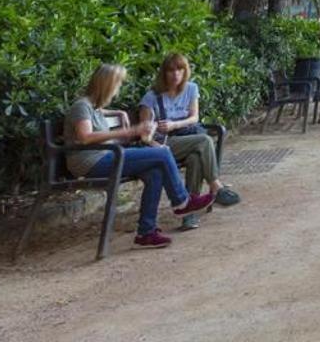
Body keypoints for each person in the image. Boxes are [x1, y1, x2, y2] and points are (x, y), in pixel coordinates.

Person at [66, 62, 213, 249]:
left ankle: (146, 232)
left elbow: (98, 114)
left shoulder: (93, 107)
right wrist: (129, 131)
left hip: (106, 156)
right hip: (91, 162)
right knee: (161, 153)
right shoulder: (82, 106)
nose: (118, 90)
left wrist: (117, 112)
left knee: (155, 172)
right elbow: (85, 137)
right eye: (117, 85)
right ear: (107, 85)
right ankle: (182, 202)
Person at [137, 53, 239, 228]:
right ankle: (216, 187)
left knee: (196, 158)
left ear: (185, 71)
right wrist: (159, 146)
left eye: (180, 69)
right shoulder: (152, 97)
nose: (176, 74)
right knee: (205, 141)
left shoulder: (191, 88)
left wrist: (173, 124)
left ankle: (189, 214)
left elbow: (194, 118)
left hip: (186, 138)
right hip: (164, 145)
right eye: (171, 70)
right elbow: (144, 135)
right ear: (164, 73)